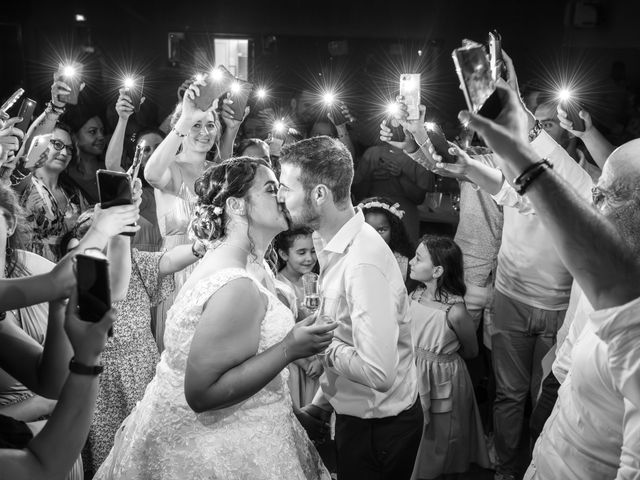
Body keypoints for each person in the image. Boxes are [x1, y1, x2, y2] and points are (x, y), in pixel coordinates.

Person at [95, 157, 336, 480]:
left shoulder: (245, 265)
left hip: (247, 429)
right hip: (213, 454)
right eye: (270, 188)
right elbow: (202, 394)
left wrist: (291, 414)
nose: (281, 196)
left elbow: (242, 361)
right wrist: (290, 348)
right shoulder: (235, 284)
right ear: (237, 205)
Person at [459, 78, 640, 480]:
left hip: (582, 463)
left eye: (604, 194)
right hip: (559, 385)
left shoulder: (627, 308)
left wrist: (522, 133)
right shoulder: (610, 256)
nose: (593, 199)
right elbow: (525, 201)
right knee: (515, 401)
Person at [278, 136, 422, 480]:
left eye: (286, 188)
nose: (281, 197)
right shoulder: (327, 240)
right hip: (355, 416)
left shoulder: (362, 263)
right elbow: (347, 330)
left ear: (319, 195)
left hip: (378, 428)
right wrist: (323, 402)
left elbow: (379, 373)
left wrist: (321, 345)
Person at [60, 206, 200, 475]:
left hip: (140, 366)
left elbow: (168, 260)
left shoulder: (134, 262)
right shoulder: (78, 268)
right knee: (103, 445)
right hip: (100, 371)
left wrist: (198, 248)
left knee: (144, 440)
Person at [144, 80, 221, 351]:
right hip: (177, 275)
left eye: (210, 124)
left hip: (214, 272)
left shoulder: (218, 172)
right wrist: (185, 119)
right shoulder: (170, 168)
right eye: (196, 125)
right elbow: (151, 174)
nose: (204, 132)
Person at [408, 235, 490, 479]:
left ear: (437, 270)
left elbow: (472, 350)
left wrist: (441, 358)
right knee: (417, 430)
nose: (411, 262)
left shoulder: (455, 311)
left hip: (443, 375)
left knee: (443, 432)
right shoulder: (415, 296)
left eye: (418, 258)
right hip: (414, 370)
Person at [105, 87, 165, 252]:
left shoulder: (176, 189)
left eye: (159, 147)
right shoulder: (136, 192)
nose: (153, 154)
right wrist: (123, 119)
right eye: (145, 150)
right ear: (136, 157)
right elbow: (112, 166)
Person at [16, 125, 86, 262]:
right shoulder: (23, 183)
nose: (65, 153)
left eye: (69, 148)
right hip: (29, 272)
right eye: (58, 144)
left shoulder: (73, 193)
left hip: (66, 275)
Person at [274, 227, 322, 408]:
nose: (309, 258)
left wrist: (321, 360)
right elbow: (282, 333)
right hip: (297, 362)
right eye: (301, 252)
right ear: (284, 254)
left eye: (313, 251)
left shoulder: (316, 280)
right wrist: (307, 364)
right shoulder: (279, 288)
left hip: (320, 358)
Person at [358, 196, 414, 282]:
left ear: (394, 230)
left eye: (381, 230)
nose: (375, 236)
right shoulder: (349, 259)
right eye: (368, 229)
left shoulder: (407, 265)